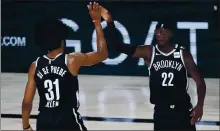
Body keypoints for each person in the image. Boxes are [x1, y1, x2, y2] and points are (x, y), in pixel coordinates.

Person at [100, 5, 206, 131]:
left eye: (163, 31)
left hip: (182, 111)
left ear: (171, 33)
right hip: (161, 112)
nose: (160, 34)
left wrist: (199, 106)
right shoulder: (149, 52)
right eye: (158, 31)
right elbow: (118, 47)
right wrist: (109, 21)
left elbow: (200, 83)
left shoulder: (182, 54)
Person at [21, 2, 108, 130]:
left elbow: (27, 102)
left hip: (44, 122)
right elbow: (103, 54)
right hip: (67, 121)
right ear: (62, 40)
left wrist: (26, 126)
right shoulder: (72, 60)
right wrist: (96, 22)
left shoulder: (35, 66)